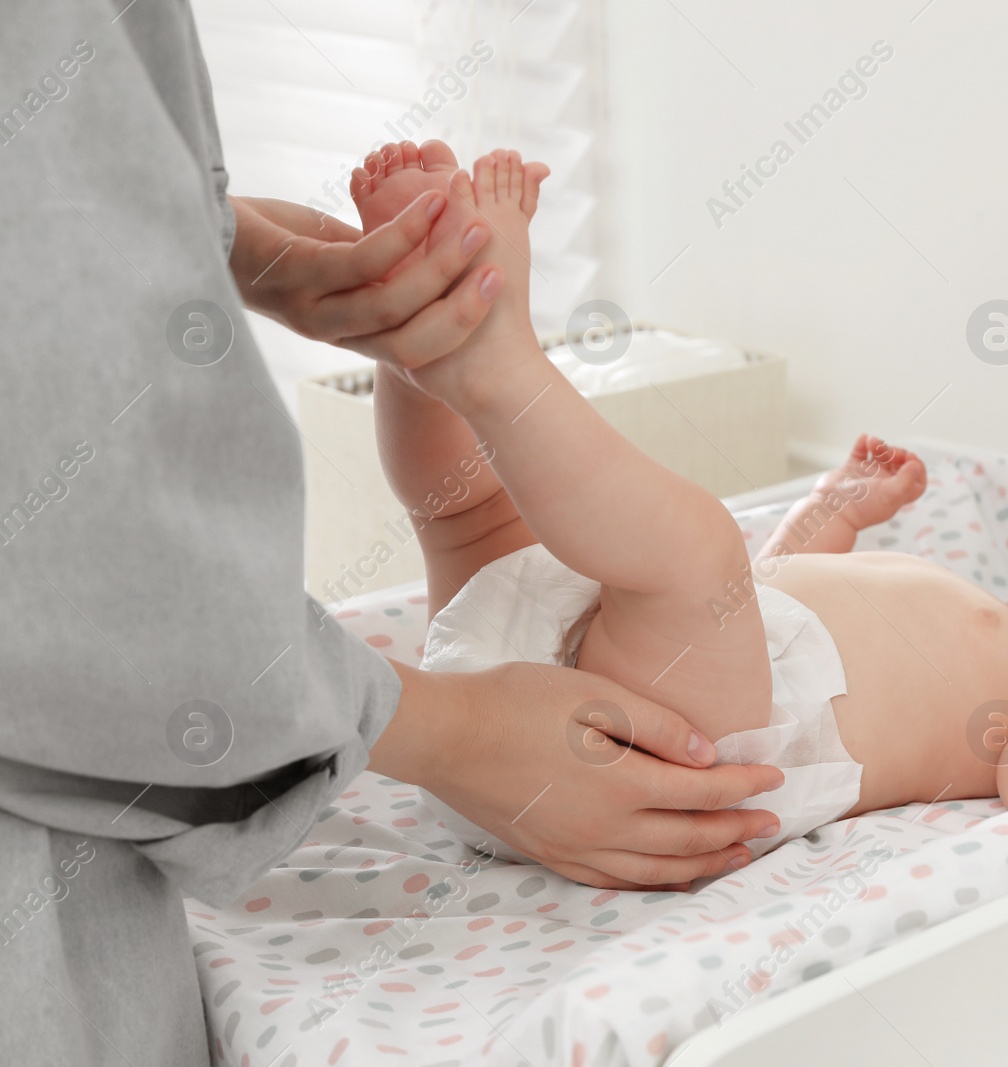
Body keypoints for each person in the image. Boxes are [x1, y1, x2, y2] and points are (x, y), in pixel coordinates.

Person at [0, 4, 780, 1064]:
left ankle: (450, 355)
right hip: (625, 733)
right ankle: (476, 361)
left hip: (626, 731)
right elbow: (79, 549)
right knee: (687, 559)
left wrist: (240, 247)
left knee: (493, 519)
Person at [353, 139, 1008, 877]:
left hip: (683, 750)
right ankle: (419, 316)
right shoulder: (966, 595)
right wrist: (836, 510)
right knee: (470, 519)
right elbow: (776, 587)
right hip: (559, 686)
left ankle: (497, 365)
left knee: (693, 549)